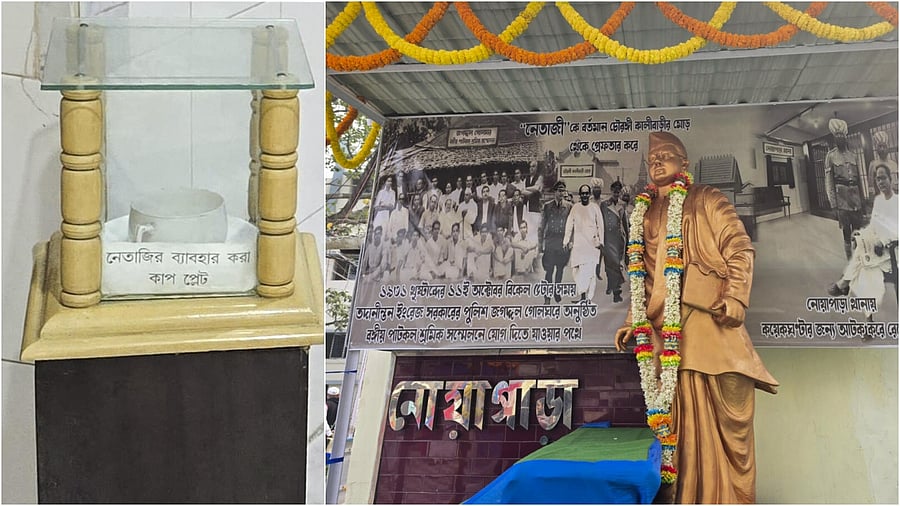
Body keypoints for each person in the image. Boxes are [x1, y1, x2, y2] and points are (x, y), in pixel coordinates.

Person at [614, 131, 778, 504]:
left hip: (708, 327)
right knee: (677, 431)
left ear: (683, 164)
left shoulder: (705, 199)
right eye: (653, 157)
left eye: (667, 155)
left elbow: (739, 246)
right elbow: (643, 277)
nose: (657, 161)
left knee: (726, 425)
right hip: (664, 339)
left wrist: (736, 294)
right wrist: (632, 319)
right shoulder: (640, 214)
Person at [828, 163, 898, 318]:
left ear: (891, 179)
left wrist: (883, 241)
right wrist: (860, 234)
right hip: (876, 247)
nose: (881, 182)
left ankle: (845, 283)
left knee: (861, 260)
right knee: (861, 249)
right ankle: (848, 287)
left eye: (884, 178)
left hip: (892, 250)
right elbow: (873, 227)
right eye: (878, 179)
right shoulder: (878, 201)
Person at [824, 118, 864, 259]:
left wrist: (863, 200)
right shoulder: (830, 156)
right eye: (837, 135)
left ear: (845, 136)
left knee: (858, 231)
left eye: (842, 134)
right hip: (842, 200)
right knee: (846, 232)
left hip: (856, 199)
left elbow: (859, 179)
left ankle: (859, 259)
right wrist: (834, 204)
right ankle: (849, 261)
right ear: (834, 137)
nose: (839, 137)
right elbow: (829, 182)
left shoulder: (853, 155)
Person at [564, 184, 604, 303]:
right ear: (580, 195)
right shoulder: (575, 207)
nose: (585, 195)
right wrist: (566, 240)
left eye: (587, 193)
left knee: (590, 272)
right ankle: (582, 294)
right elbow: (569, 225)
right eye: (583, 193)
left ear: (589, 194)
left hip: (592, 244)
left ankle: (587, 298)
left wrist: (601, 241)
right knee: (576, 270)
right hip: (579, 244)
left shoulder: (595, 207)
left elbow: (600, 225)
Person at [540, 181, 571, 304]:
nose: (561, 193)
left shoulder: (569, 206)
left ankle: (556, 291)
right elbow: (542, 226)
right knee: (549, 270)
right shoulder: (548, 206)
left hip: (562, 242)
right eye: (559, 190)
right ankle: (547, 296)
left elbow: (572, 226)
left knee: (560, 269)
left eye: (563, 190)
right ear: (555, 192)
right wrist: (540, 244)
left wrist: (570, 242)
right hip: (550, 242)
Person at [600, 179, 629, 303]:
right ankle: (612, 285)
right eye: (614, 192)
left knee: (617, 264)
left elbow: (625, 223)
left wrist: (628, 238)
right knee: (609, 265)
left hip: (618, 239)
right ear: (611, 191)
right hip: (607, 237)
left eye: (618, 192)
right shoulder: (604, 204)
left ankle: (616, 291)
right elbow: (600, 222)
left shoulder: (622, 205)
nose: (616, 194)